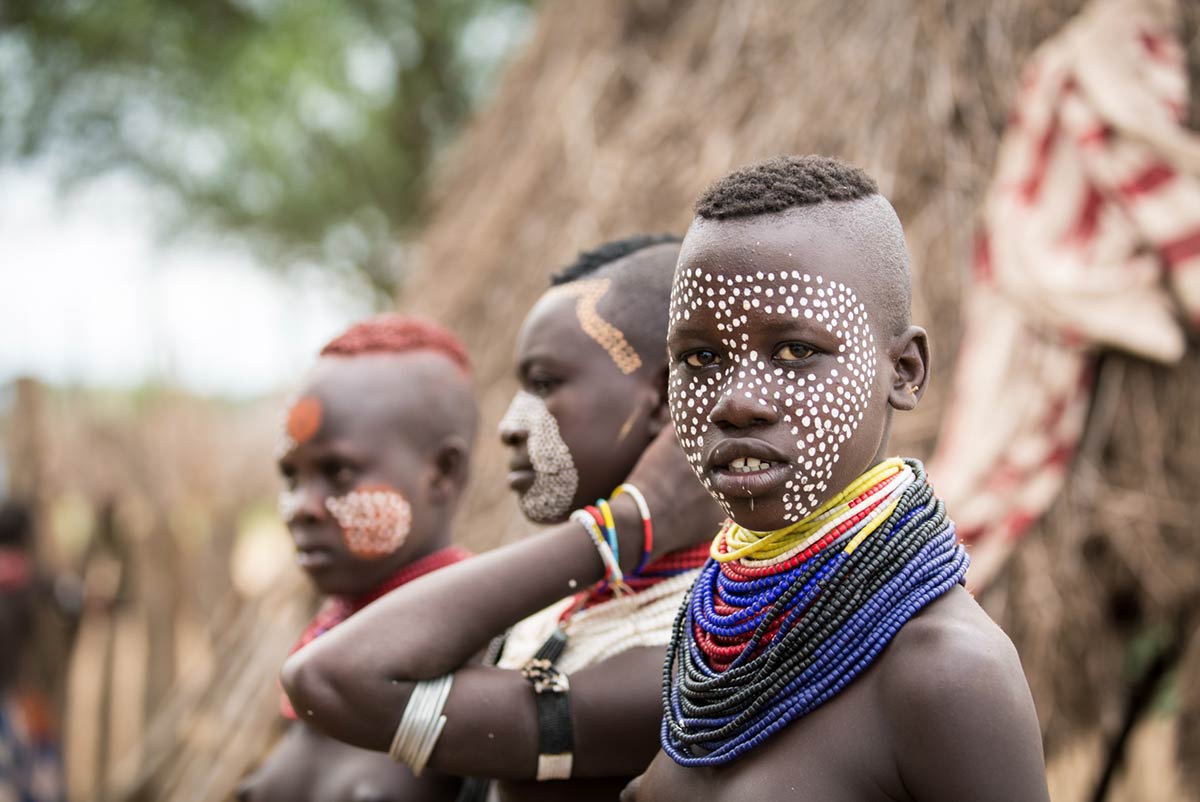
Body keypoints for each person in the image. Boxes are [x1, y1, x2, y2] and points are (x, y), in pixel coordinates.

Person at [622, 155, 1052, 802]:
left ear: (904, 371)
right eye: (701, 357)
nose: (737, 401)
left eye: (795, 351)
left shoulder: (946, 672)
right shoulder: (711, 641)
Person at [282, 237, 724, 802]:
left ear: (664, 400)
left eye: (545, 384)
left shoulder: (703, 650)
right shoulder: (544, 619)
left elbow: (331, 679)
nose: (511, 425)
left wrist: (623, 527)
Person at [236, 315, 478, 802]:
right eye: (291, 477)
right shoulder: (319, 646)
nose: (298, 508)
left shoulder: (488, 654)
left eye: (338, 471)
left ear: (442, 473)